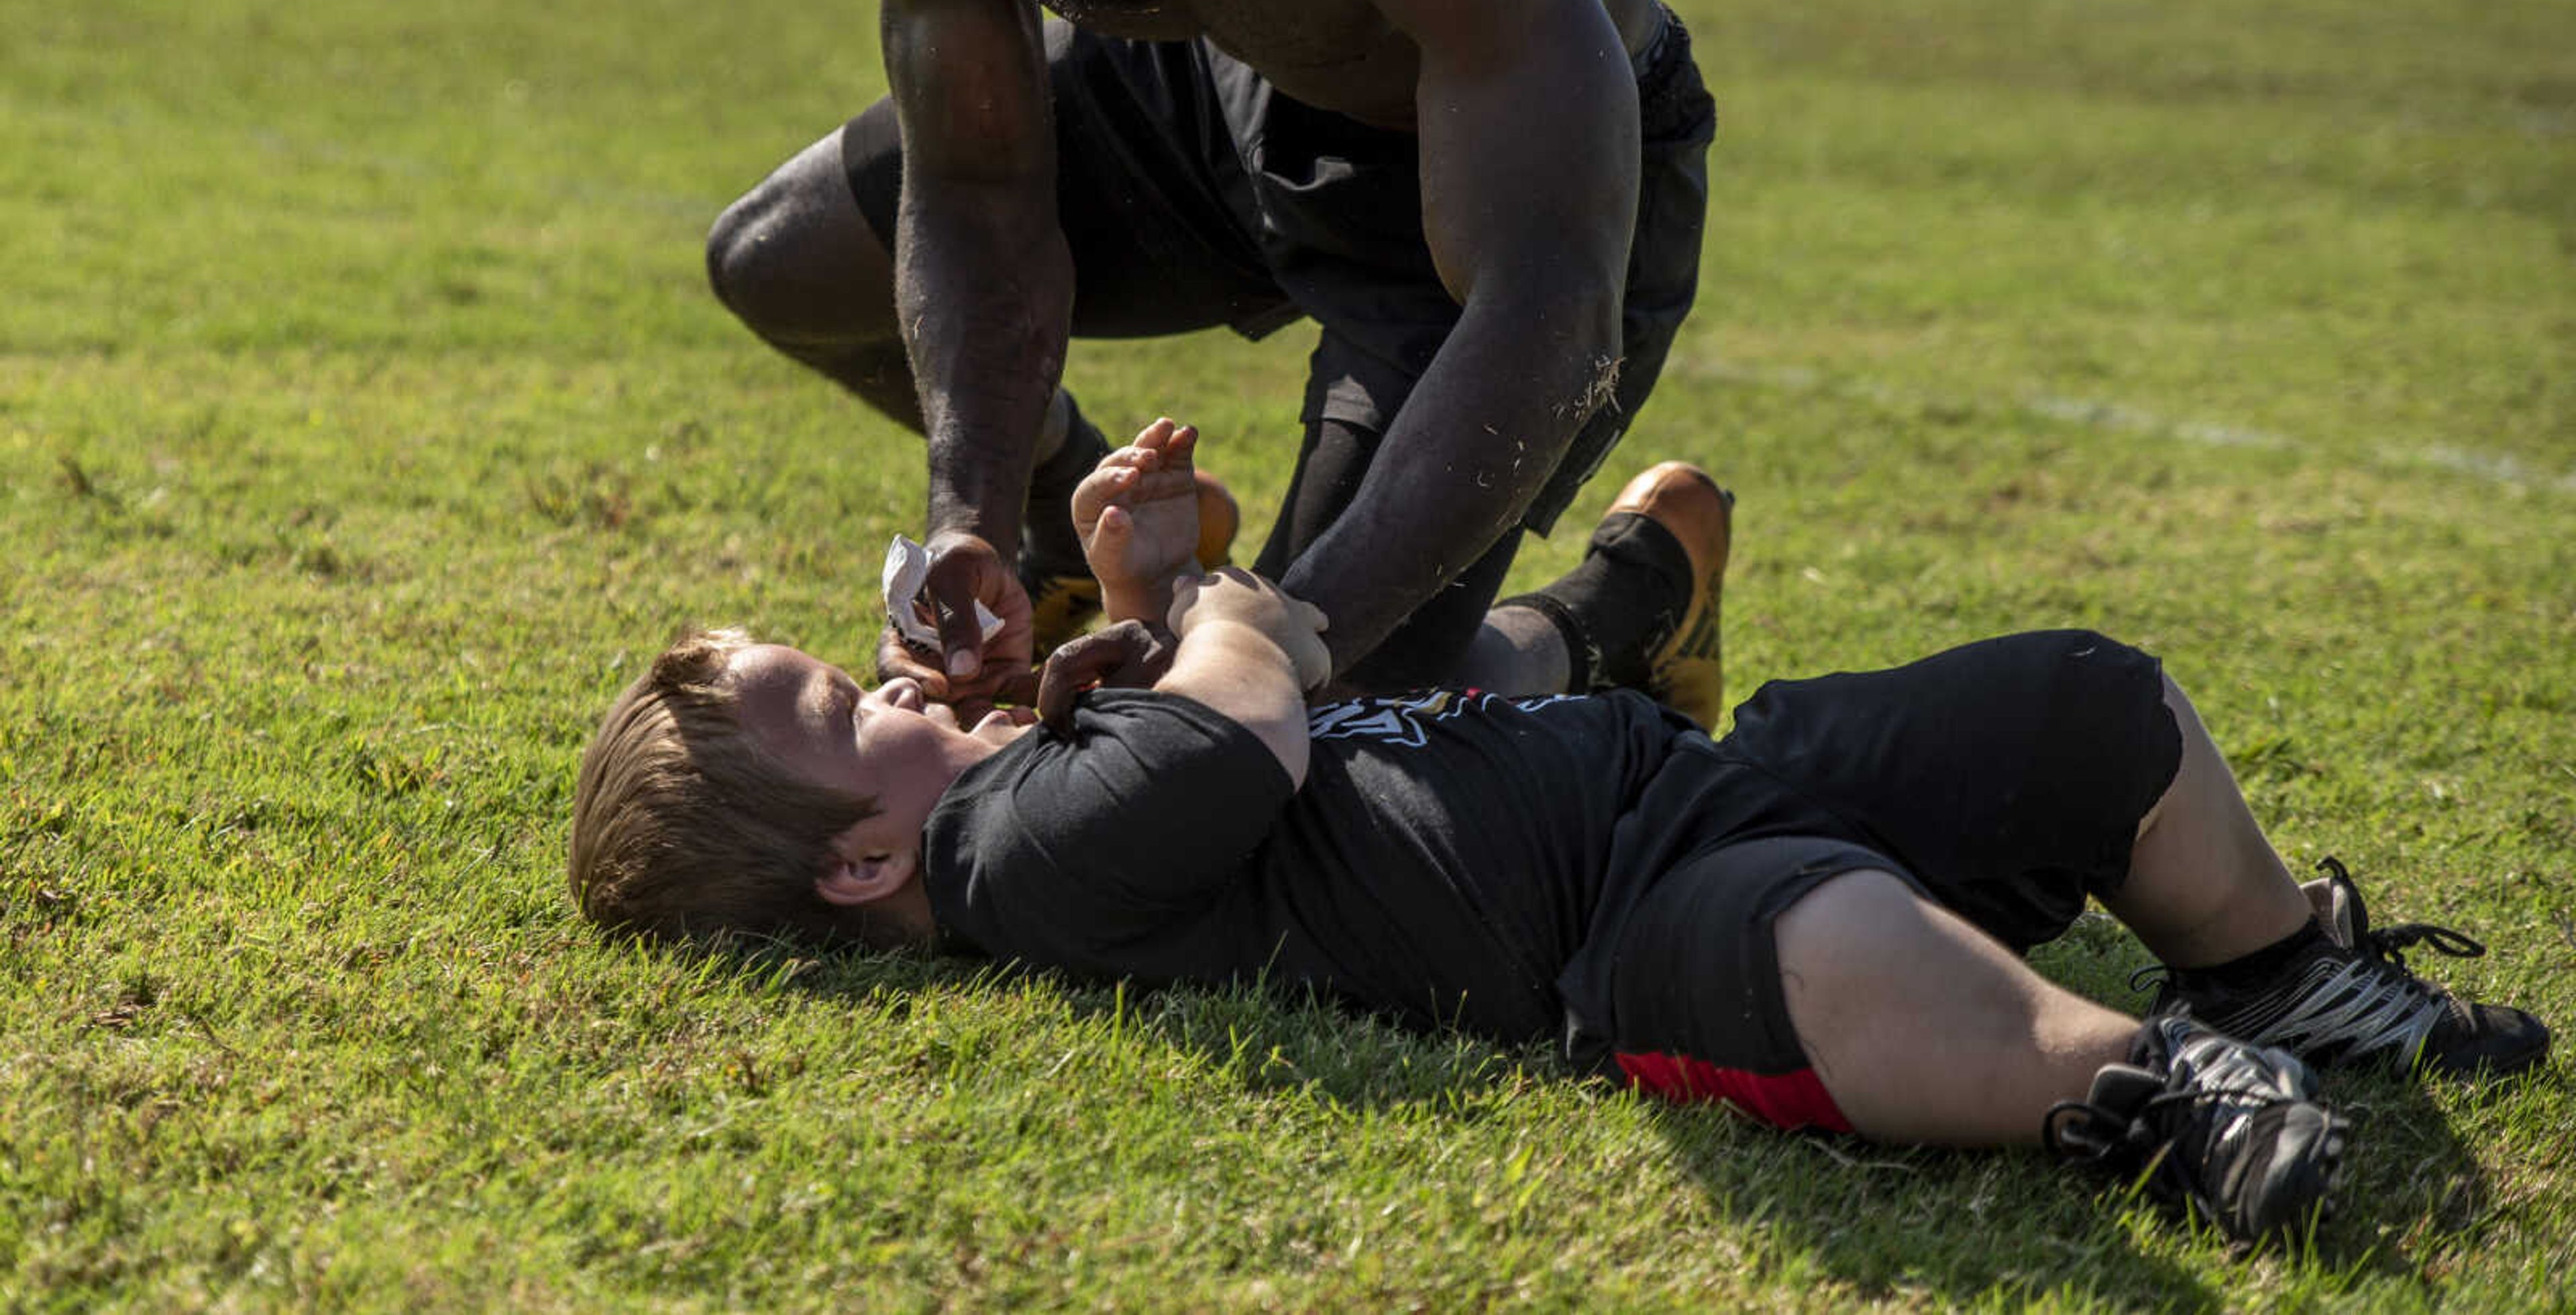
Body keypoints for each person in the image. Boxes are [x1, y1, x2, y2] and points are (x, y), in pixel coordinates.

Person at [568, 421, 2551, 1247]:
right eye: (847, 711)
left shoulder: (1003, 786)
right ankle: (2152, 1089)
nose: (890, 680)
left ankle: (2275, 956)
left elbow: (1189, 707)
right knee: (1826, 932)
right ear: (856, 869)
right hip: (1630, 906)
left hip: (1663, 770)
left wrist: (1143, 590)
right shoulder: (1006, 868)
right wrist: (1220, 612)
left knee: (2081, 701)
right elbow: (1245, 734)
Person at [700, 0, 1719, 711]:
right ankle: (1055, 529)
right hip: (1216, 75)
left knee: (1309, 714)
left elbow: (1551, 310)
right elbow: (978, 194)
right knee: (776, 259)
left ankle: (1618, 613)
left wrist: (1265, 643)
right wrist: (967, 514)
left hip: (1496, 186)